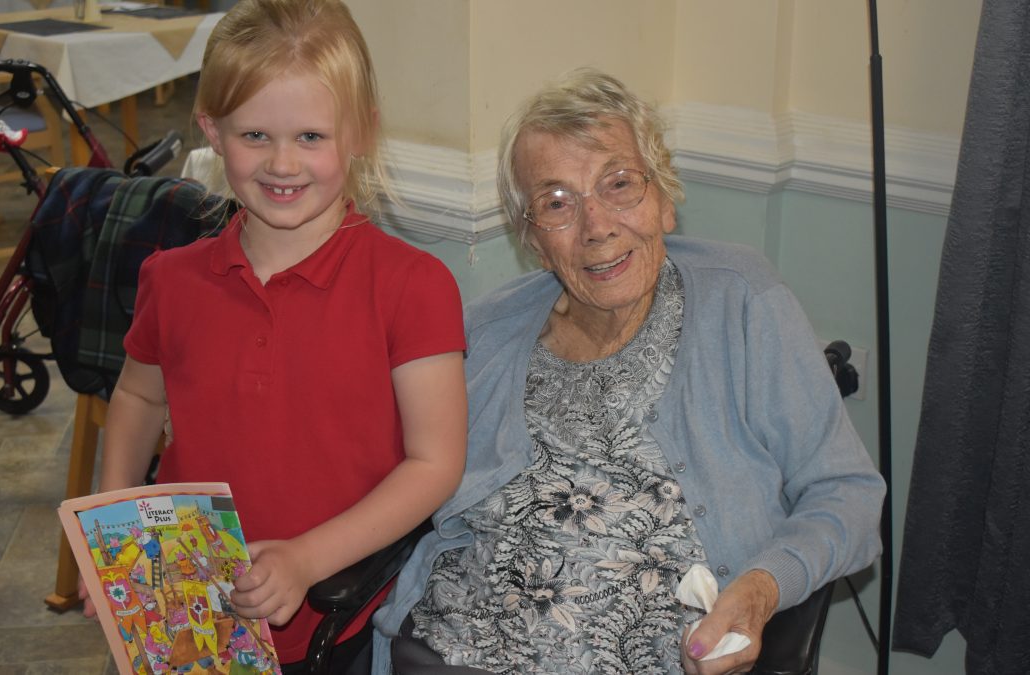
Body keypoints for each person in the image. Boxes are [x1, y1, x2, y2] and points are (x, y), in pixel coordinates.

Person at [372, 69, 885, 675]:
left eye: (619, 185)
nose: (596, 226)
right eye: (556, 203)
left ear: (664, 199)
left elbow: (847, 494)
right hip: (453, 653)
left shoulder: (742, 300)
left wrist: (760, 588)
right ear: (533, 239)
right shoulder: (482, 333)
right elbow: (402, 478)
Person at [90, 1, 468, 672]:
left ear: (360, 134)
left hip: (333, 617)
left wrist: (307, 558)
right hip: (188, 604)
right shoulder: (170, 280)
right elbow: (139, 400)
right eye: (255, 135)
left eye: (312, 137)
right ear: (211, 128)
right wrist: (108, 530)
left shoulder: (414, 284)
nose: (283, 163)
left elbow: (435, 462)